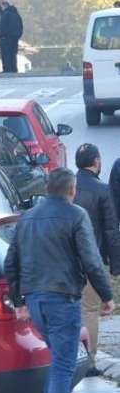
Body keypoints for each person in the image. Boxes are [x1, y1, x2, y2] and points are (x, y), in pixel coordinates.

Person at [4, 168, 116, 393]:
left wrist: (19, 301)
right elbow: (91, 260)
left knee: (58, 362)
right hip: (62, 299)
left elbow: (11, 263)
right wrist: (107, 295)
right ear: (72, 190)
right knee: (64, 365)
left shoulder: (27, 218)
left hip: (35, 300)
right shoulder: (76, 215)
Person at [74, 145, 120, 375]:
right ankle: (89, 362)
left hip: (66, 263)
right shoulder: (102, 190)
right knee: (90, 311)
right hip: (92, 260)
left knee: (71, 310)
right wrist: (115, 265)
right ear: (96, 161)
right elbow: (111, 230)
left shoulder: (67, 187)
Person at [0, 0, 24, 73]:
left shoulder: (5, 14)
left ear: (5, 5)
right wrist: (18, 35)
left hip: (6, 37)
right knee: (13, 53)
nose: (1, 8)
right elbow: (21, 26)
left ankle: (7, 69)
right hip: (15, 38)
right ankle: (14, 69)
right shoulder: (16, 14)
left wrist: (1, 35)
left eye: (2, 6)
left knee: (6, 53)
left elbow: (3, 26)